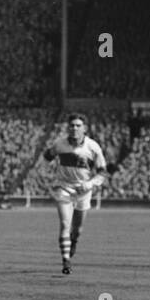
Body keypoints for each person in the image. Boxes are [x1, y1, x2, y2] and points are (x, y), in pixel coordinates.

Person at [40, 113, 107, 274]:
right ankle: (66, 261)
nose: (74, 128)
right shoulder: (59, 144)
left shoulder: (93, 147)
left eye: (78, 125)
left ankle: (74, 241)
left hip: (83, 191)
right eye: (72, 125)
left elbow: (102, 173)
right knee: (65, 224)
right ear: (67, 127)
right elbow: (46, 158)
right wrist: (46, 174)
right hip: (64, 188)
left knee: (77, 229)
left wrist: (89, 184)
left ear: (85, 128)